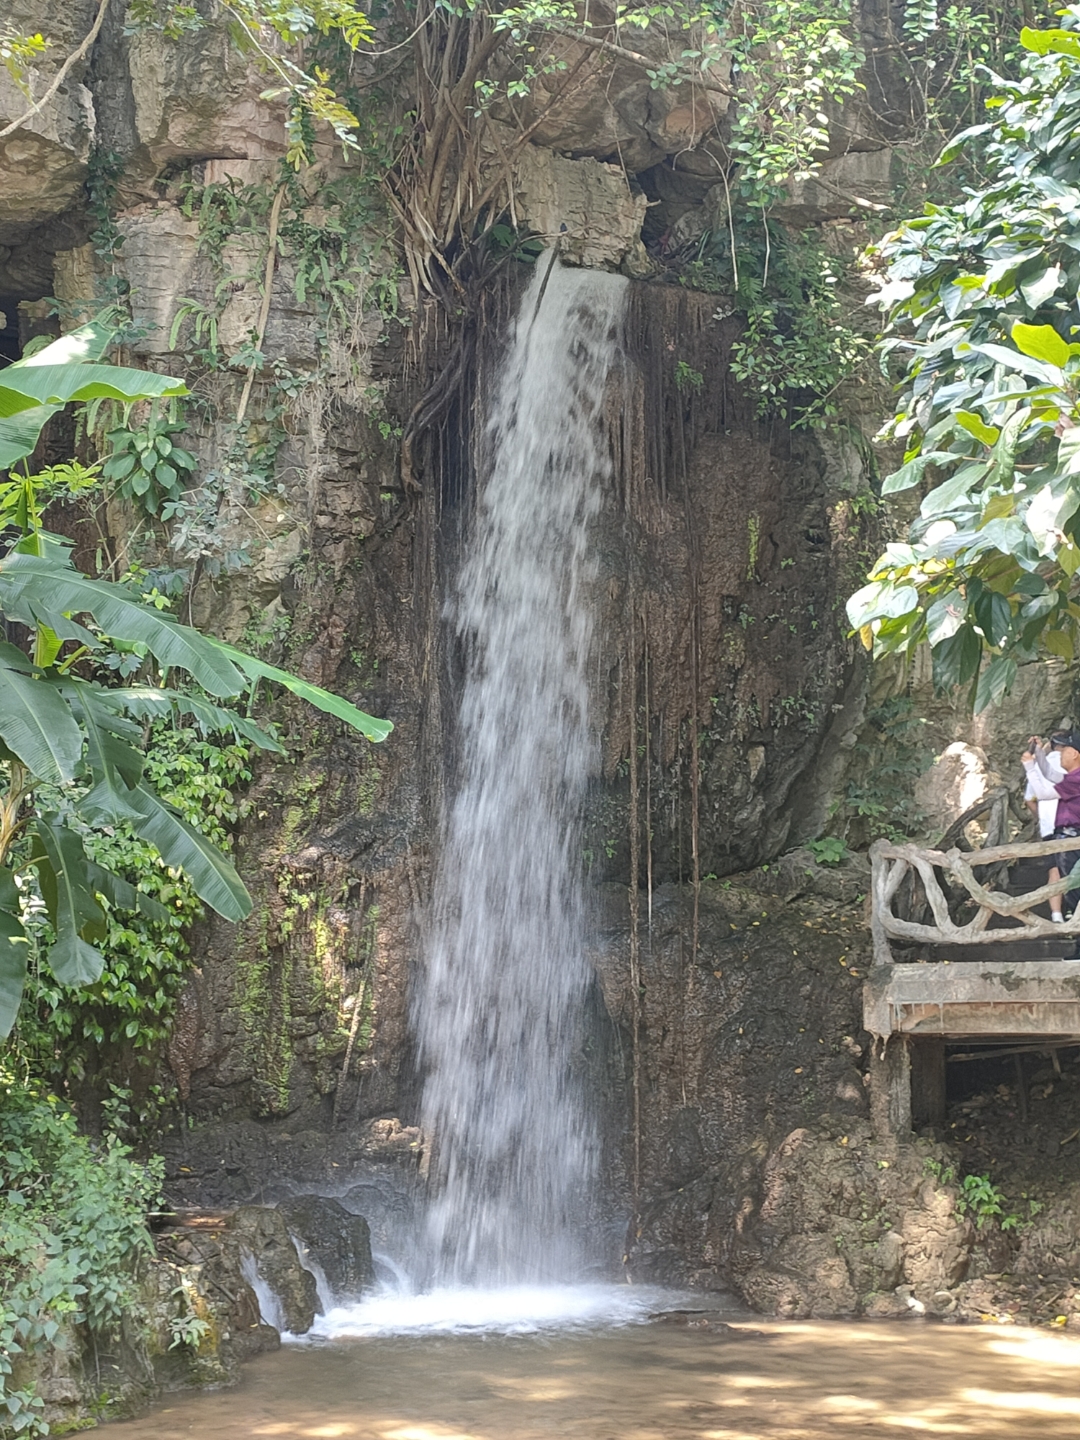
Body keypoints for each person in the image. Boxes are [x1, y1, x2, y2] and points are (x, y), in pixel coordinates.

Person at [1022, 730, 1080, 920]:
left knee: (1074, 890)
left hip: (1071, 839)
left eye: (1064, 750)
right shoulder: (1073, 777)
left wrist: (1030, 768)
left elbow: (1044, 793)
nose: (1060, 753)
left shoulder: (1077, 779)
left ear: (1075, 754)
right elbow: (1050, 774)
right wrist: (1038, 753)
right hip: (1070, 837)